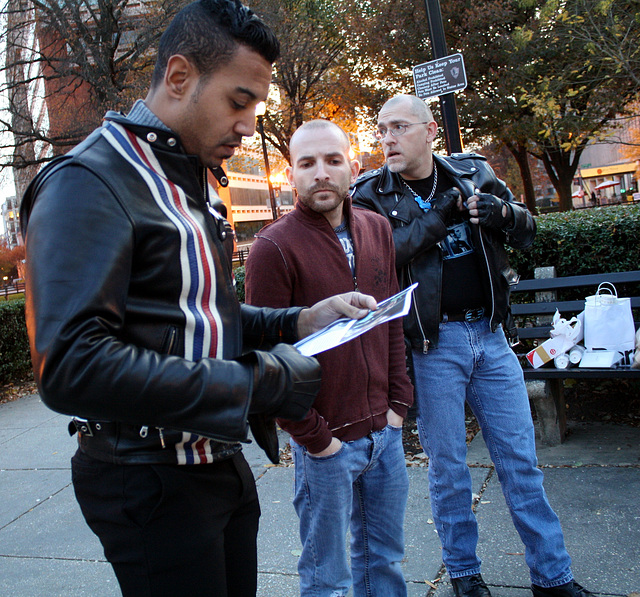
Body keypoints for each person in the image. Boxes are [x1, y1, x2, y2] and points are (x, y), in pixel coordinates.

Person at [18, 2, 378, 596]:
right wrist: (257, 382)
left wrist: (297, 319)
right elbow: (71, 365)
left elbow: (200, 313)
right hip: (146, 478)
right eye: (239, 102)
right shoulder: (90, 181)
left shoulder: (196, 182)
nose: (248, 124)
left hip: (217, 462)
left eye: (256, 108)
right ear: (180, 77)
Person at [351, 94, 593, 597]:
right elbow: (379, 258)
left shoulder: (474, 173)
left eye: (398, 127)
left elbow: (528, 230)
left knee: (521, 463)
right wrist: (439, 217)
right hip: (433, 346)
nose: (387, 138)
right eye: (380, 129)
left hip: (491, 335)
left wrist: (502, 212)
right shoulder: (371, 195)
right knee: (449, 471)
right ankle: (464, 576)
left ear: (430, 130)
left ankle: (552, 578)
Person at [245, 120, 414, 597]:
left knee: (384, 563)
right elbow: (268, 361)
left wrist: (399, 405)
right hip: (326, 447)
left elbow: (389, 321)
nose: (321, 173)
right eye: (307, 163)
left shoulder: (377, 228)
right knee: (328, 580)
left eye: (332, 161)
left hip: (385, 435)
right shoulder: (271, 248)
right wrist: (315, 439)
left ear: (353, 167)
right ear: (291, 174)